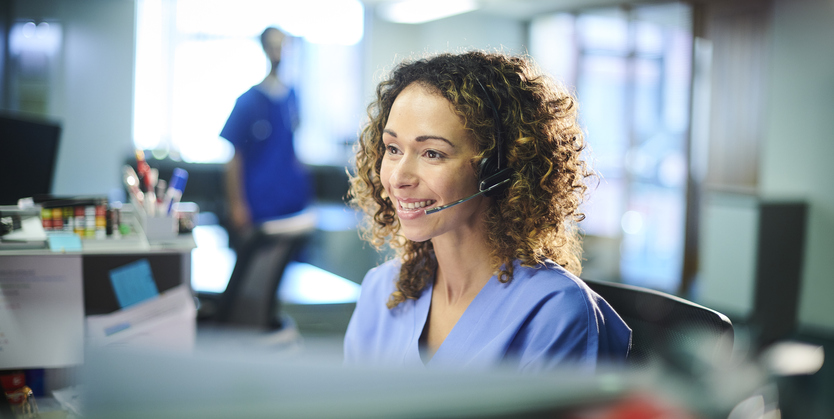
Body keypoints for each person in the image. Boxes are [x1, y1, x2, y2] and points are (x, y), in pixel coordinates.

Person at [343, 51, 631, 373]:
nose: (398, 178)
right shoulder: (381, 289)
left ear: (500, 169)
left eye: (432, 153)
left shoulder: (556, 311)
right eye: (393, 149)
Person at [220, 27, 312, 238]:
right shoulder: (247, 102)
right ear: (264, 49)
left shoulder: (292, 98)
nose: (277, 52)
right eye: (273, 46)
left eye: (282, 46)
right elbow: (235, 160)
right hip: (259, 202)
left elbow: (292, 148)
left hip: (290, 199)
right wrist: (237, 205)